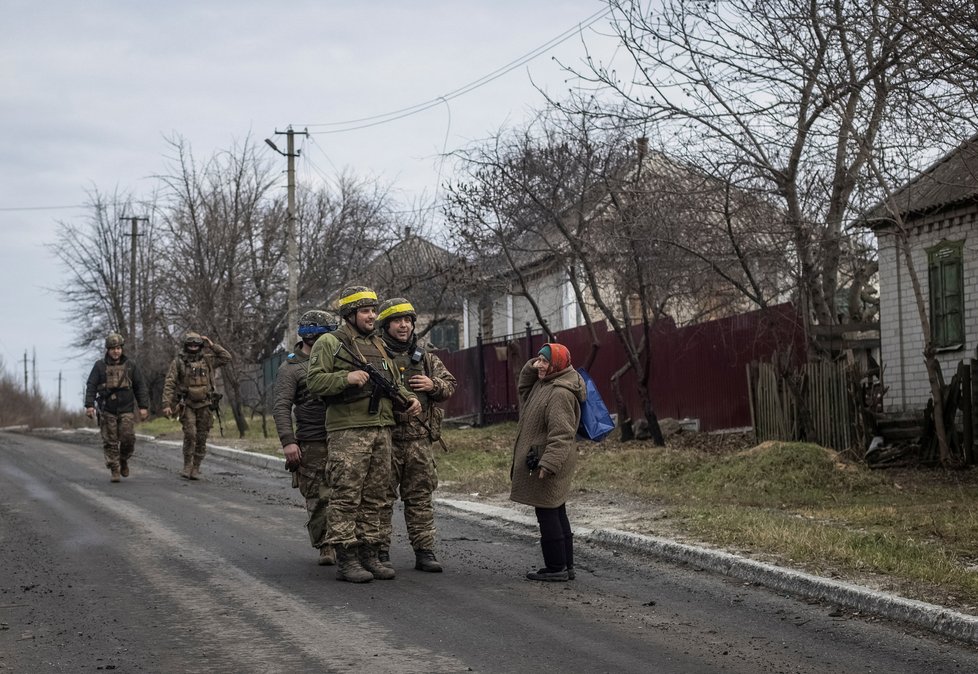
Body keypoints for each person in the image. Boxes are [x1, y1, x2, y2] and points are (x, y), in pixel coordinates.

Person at [306, 286, 421, 583]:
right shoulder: (330, 343)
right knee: (346, 495)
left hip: (382, 428)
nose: (372, 316)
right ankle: (347, 558)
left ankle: (370, 553)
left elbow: (395, 381)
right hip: (348, 431)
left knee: (377, 496)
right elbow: (315, 382)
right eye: (366, 311)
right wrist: (346, 378)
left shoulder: (379, 345)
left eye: (373, 310)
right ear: (350, 315)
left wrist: (410, 398)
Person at [375, 297, 457, 573]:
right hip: (386, 439)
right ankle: (380, 552)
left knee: (420, 498)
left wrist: (432, 384)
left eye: (408, 320)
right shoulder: (375, 354)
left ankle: (424, 551)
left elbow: (450, 386)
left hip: (419, 441)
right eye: (398, 320)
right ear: (385, 325)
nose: (404, 325)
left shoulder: (425, 356)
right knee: (381, 500)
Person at [510, 343, 586, 582]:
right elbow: (523, 387)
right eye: (538, 360)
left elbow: (562, 434)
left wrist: (549, 463)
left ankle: (556, 568)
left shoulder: (560, 393)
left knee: (548, 513)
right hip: (545, 458)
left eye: (544, 361)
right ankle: (566, 565)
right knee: (556, 509)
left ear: (557, 365)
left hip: (549, 460)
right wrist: (533, 367)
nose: (539, 365)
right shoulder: (544, 384)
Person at [272, 309, 339, 566]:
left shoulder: (338, 358)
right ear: (313, 336)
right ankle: (325, 544)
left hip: (343, 434)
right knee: (319, 494)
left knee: (346, 492)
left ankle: (348, 541)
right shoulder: (291, 367)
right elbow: (281, 406)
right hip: (312, 440)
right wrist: (288, 441)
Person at [161, 331, 232, 480]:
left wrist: (212, 345)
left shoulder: (208, 360)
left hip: (205, 404)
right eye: (190, 344)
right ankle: (187, 465)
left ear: (200, 345)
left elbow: (226, 357)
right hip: (187, 404)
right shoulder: (179, 362)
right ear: (186, 345)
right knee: (190, 434)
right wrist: (167, 403)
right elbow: (170, 383)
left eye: (196, 344)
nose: (193, 347)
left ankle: (196, 467)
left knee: (201, 437)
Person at [84, 332, 150, 482]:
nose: (116, 351)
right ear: (108, 350)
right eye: (113, 348)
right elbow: (91, 386)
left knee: (128, 438)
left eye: (119, 348)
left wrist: (143, 406)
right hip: (107, 409)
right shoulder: (99, 366)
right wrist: (89, 405)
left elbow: (140, 386)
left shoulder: (130, 366)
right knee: (110, 440)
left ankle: (123, 459)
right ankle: (114, 468)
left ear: (122, 349)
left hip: (126, 408)